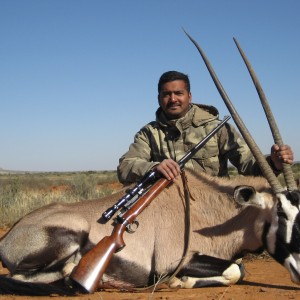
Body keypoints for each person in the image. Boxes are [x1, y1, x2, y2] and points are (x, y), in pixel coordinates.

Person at [117, 71, 294, 184]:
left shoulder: (217, 128)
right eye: (166, 95)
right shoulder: (148, 134)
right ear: (158, 98)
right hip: (169, 213)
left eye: (178, 93)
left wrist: (274, 163)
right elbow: (125, 167)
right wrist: (153, 168)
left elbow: (250, 167)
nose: (172, 99)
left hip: (215, 210)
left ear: (189, 96)